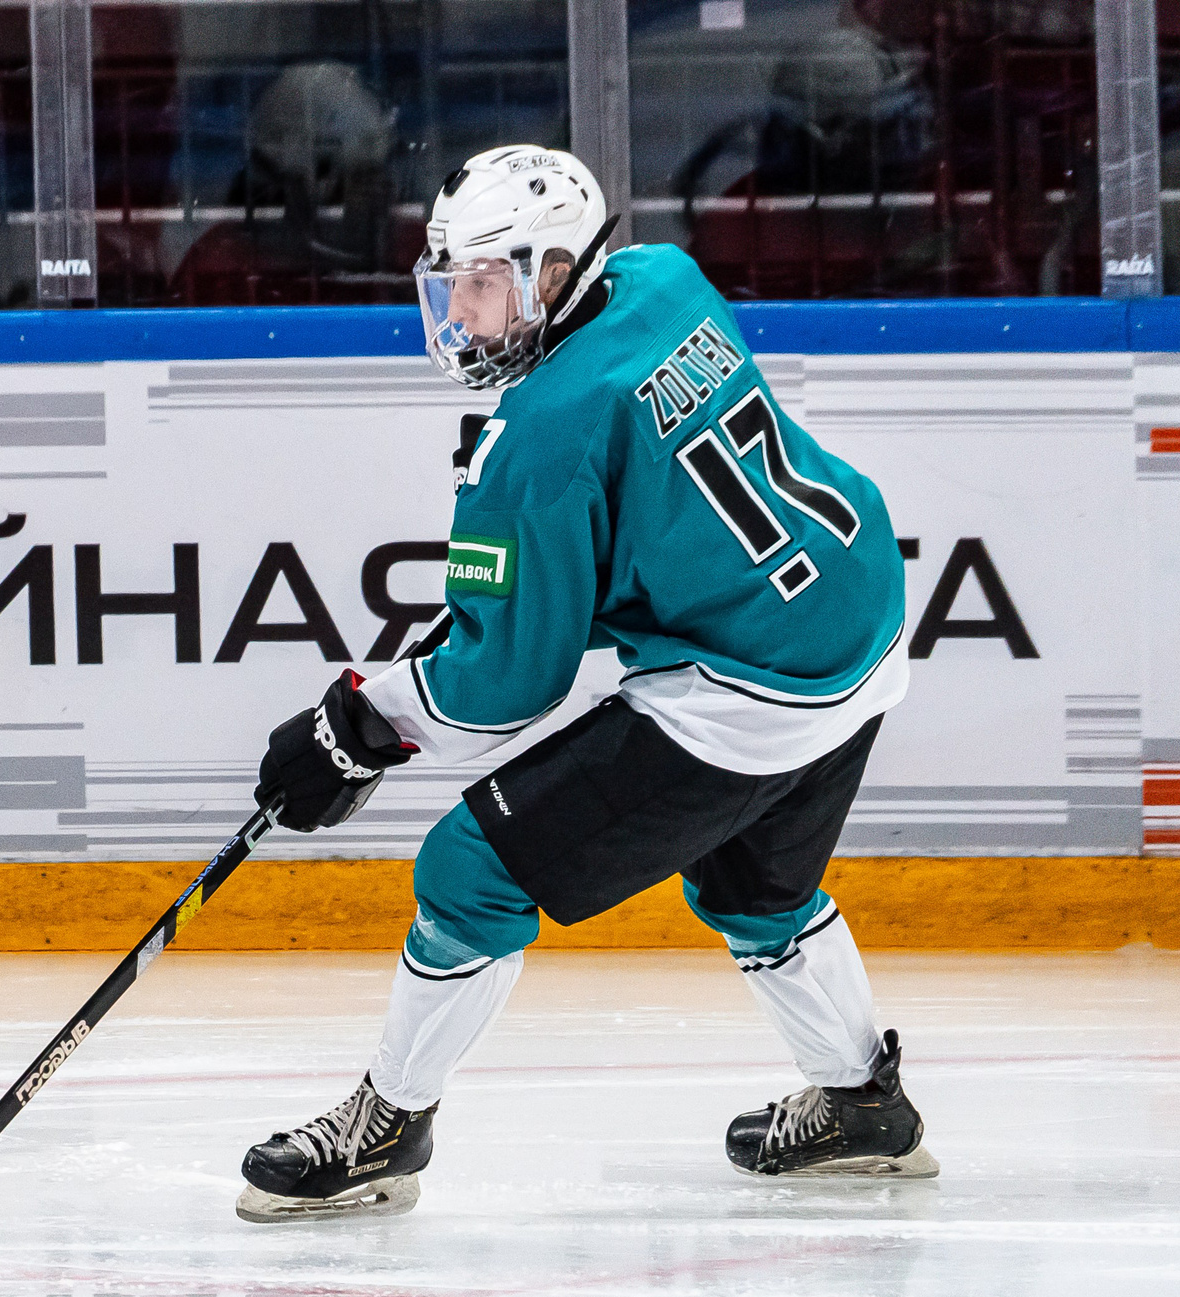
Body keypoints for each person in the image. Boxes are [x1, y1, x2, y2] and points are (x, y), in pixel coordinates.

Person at [241, 145, 929, 1225]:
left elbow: (500, 690)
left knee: (467, 875)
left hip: (749, 692)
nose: (461, 312)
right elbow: (635, 496)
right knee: (756, 889)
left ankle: (387, 1127)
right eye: (451, 280)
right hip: (861, 619)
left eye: (484, 280)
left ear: (554, 269)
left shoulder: (534, 441)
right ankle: (861, 1104)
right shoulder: (664, 277)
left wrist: (354, 730)